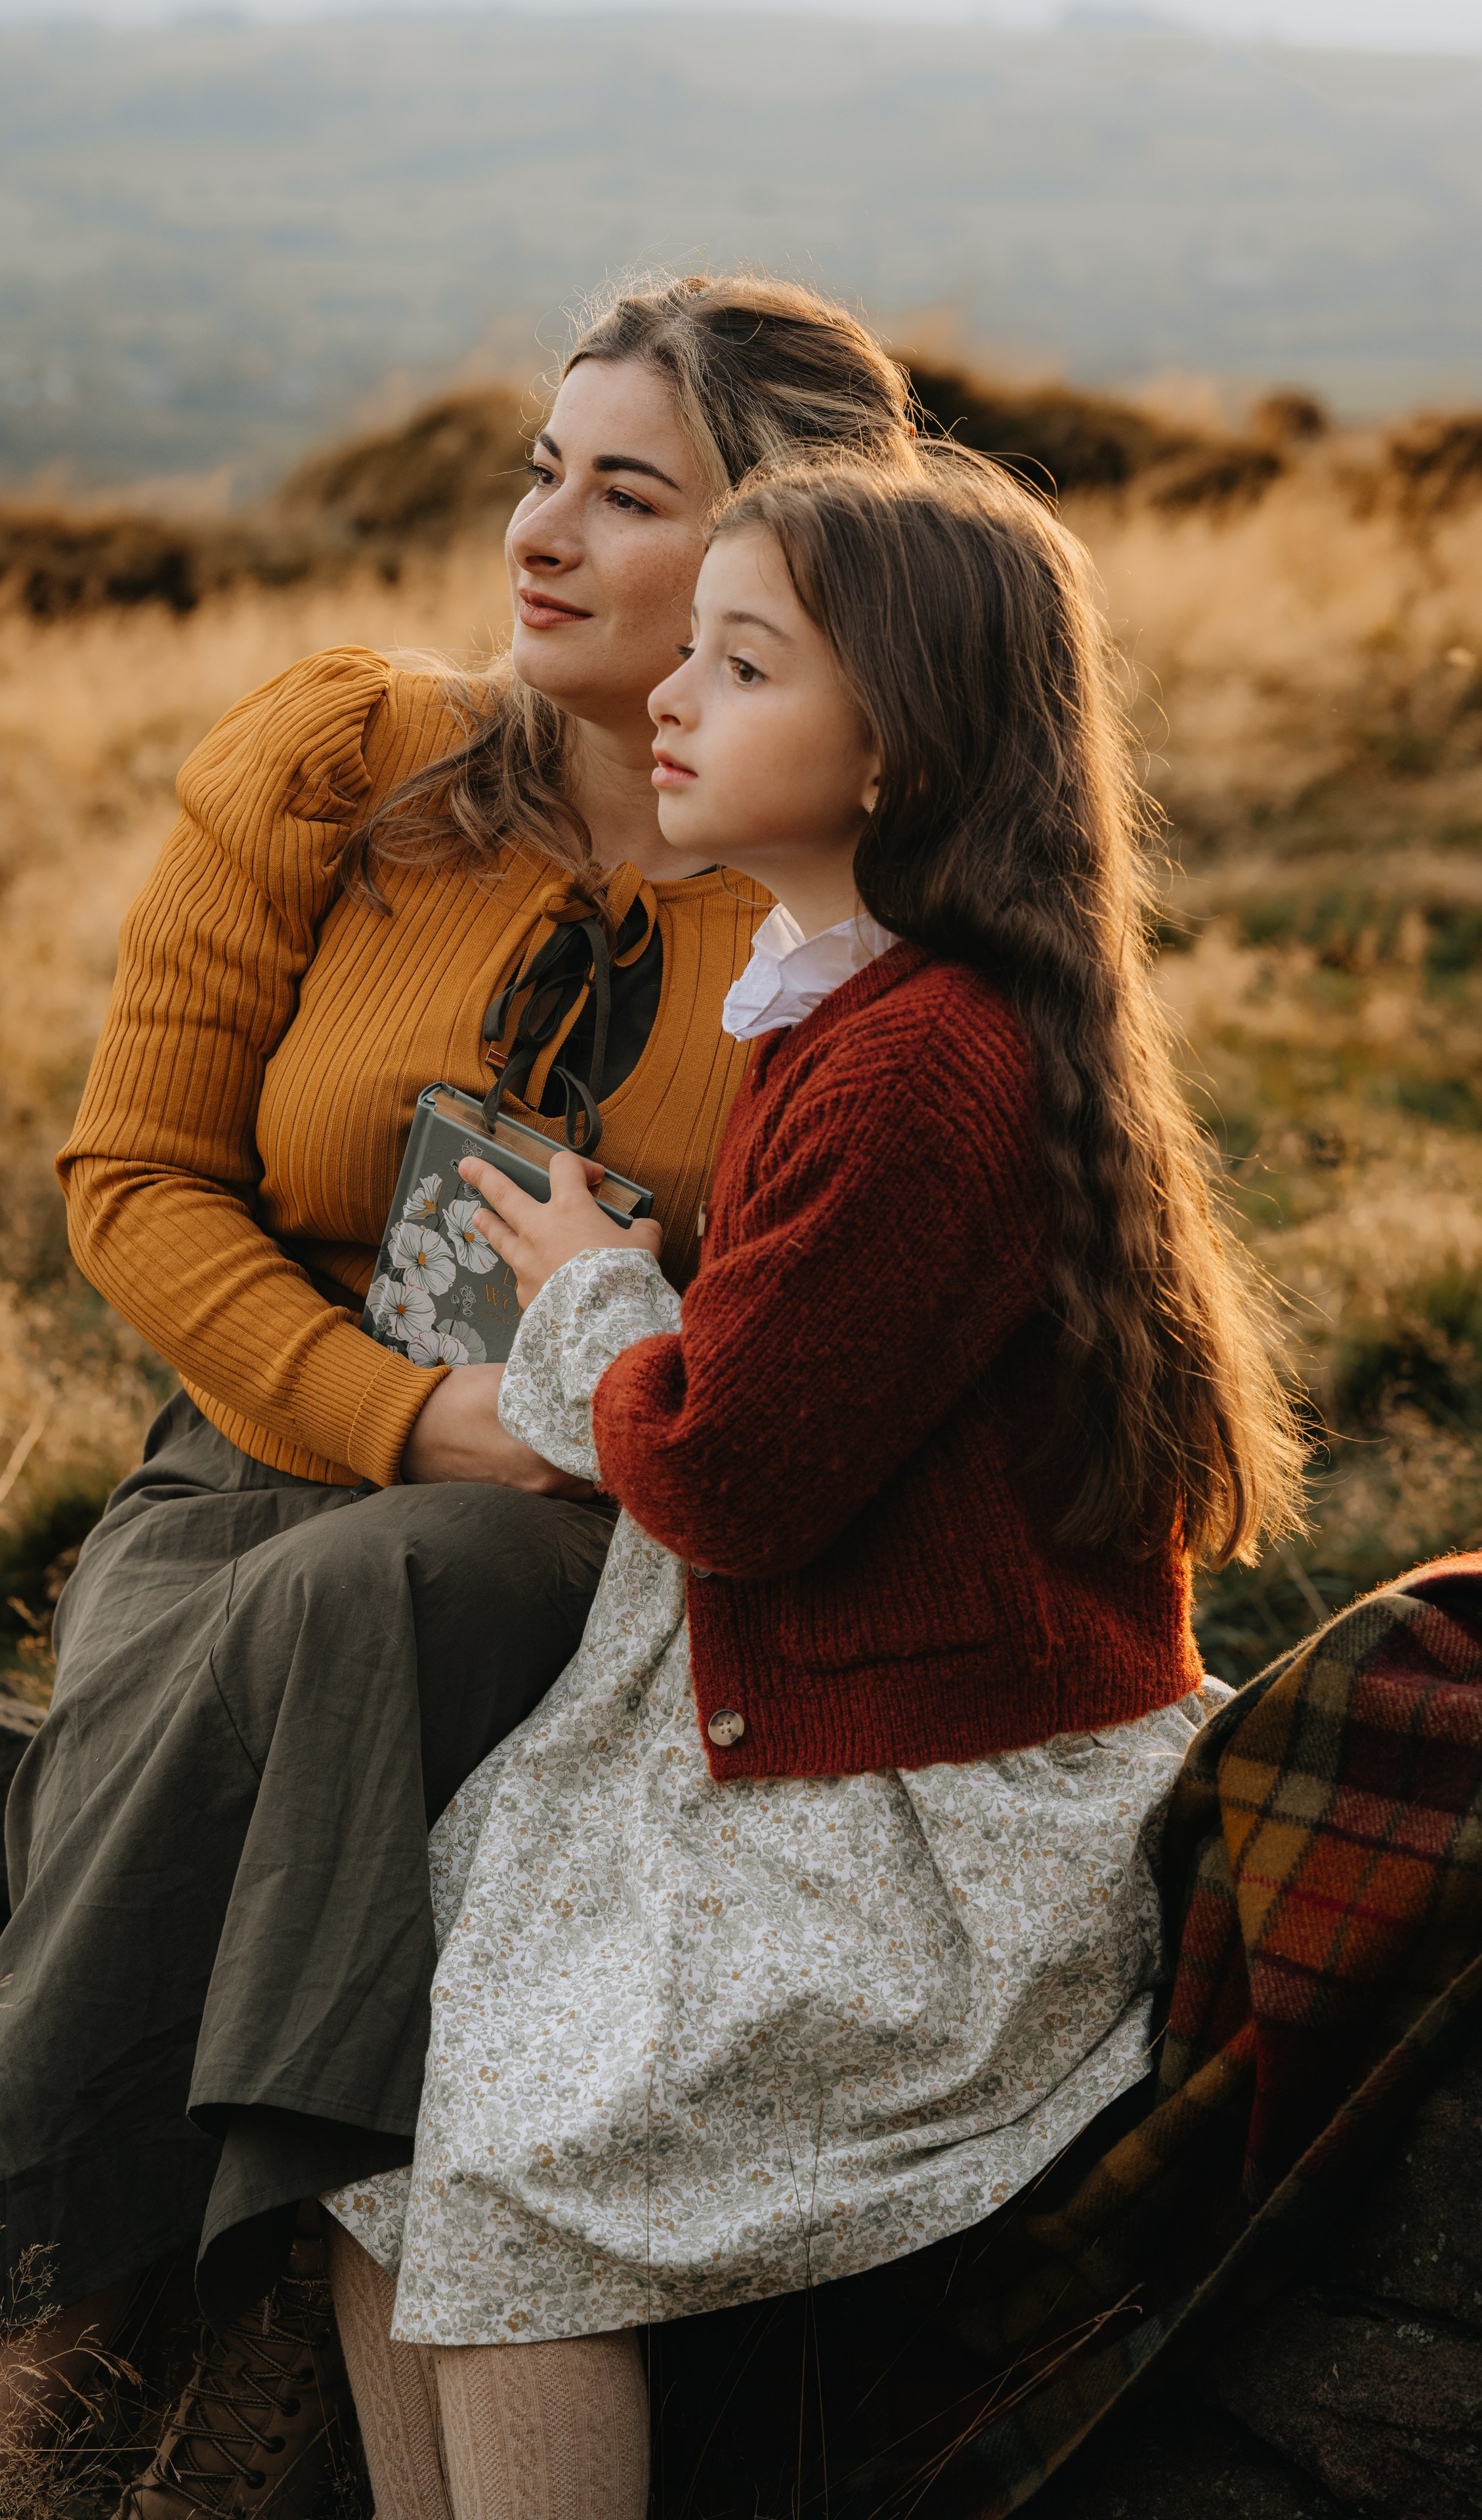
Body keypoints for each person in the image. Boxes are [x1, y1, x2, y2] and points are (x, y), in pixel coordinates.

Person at [0, 282, 919, 2520]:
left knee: (367, 1624)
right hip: (249, 1466)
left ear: (771, 567)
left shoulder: (843, 899)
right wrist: (395, 1412)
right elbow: (133, 1178)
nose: (542, 533)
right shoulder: (342, 757)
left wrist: (562, 1429)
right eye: (539, 470)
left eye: (629, 497)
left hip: (610, 1528)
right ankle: (225, 2377)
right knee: (228, 1709)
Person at [316, 446, 1307, 2520]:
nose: (670, 694)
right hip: (820, 1754)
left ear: (898, 751)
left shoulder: (922, 1063)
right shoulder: (843, 1019)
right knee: (380, 2178)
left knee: (507, 2216)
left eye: (743, 664)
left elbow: (731, 1482)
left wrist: (595, 1298)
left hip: (932, 1812)